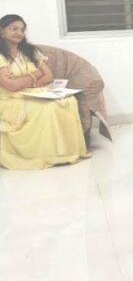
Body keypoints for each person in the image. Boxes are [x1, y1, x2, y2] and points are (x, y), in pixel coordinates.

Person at [0, 14, 90, 170]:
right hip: (10, 99)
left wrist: (25, 82)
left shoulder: (31, 51)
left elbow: (48, 76)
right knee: (46, 108)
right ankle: (46, 156)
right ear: (1, 31)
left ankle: (66, 153)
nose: (19, 33)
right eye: (13, 29)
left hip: (34, 92)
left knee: (68, 101)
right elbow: (11, 86)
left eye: (22, 30)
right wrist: (35, 74)